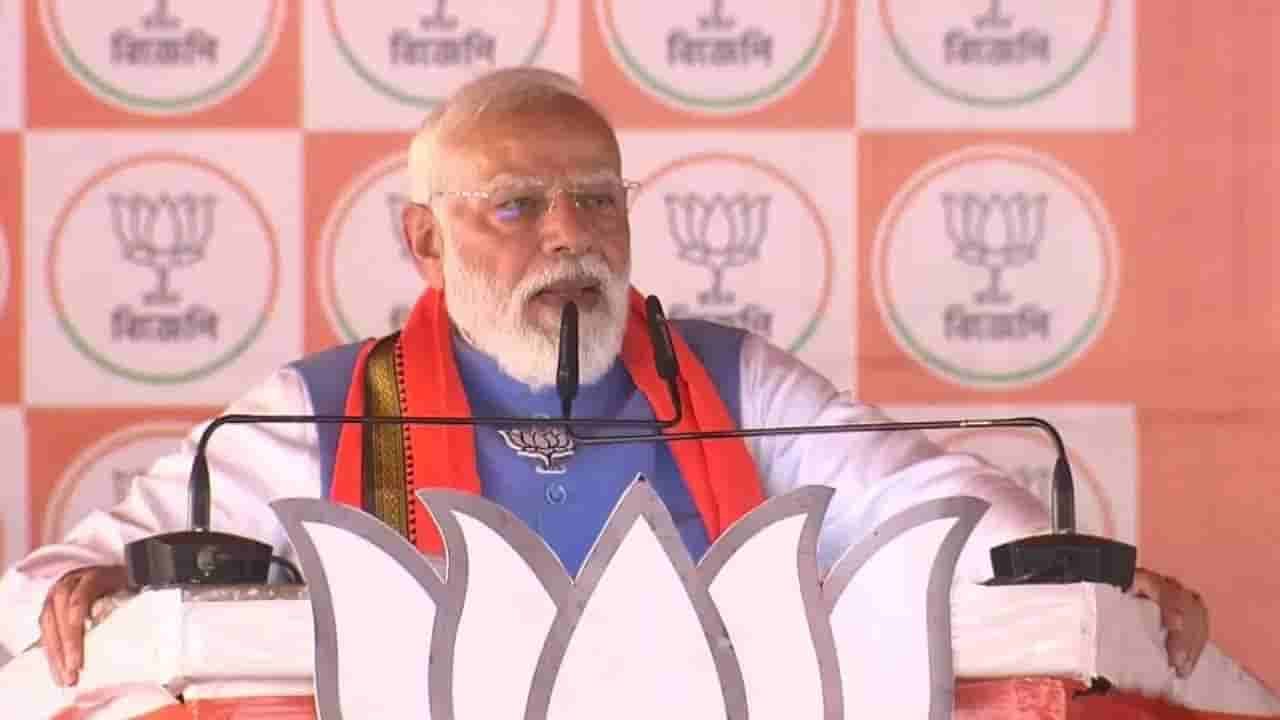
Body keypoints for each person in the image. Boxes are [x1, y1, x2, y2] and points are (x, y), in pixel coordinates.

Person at [0, 67, 1208, 691]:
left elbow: (931, 503)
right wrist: (111, 594)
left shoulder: (734, 383)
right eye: (514, 207)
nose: (566, 236)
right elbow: (41, 593)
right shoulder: (317, 413)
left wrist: (1064, 572)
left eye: (594, 200)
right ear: (423, 239)